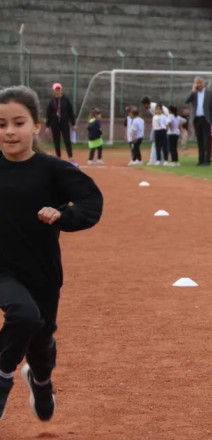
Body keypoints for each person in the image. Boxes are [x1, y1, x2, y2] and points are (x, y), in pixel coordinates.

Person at [0, 85, 103, 422]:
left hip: (43, 273)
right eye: (1, 124)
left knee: (41, 340)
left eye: (18, 122)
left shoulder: (52, 170)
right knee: (24, 315)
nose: (10, 131)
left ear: (37, 125)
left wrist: (63, 215)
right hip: (3, 270)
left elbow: (91, 202)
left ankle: (40, 380)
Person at [185, 76, 212, 166]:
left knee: (207, 140)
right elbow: (186, 101)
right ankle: (201, 160)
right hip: (197, 119)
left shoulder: (210, 93)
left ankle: (207, 160)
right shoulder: (194, 94)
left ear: (204, 83)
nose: (199, 85)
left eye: (200, 83)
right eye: (197, 83)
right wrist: (193, 91)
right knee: (199, 140)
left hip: (206, 119)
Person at [44, 83, 76, 166]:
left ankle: (71, 157)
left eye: (59, 89)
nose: (57, 91)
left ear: (61, 90)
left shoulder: (66, 100)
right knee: (56, 141)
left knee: (67, 140)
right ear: (53, 91)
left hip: (64, 123)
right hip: (55, 124)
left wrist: (73, 124)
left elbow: (71, 113)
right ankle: (58, 157)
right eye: (56, 90)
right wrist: (47, 126)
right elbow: (48, 115)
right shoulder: (51, 102)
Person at [140, 97, 169, 165]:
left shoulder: (154, 106)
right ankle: (158, 159)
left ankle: (155, 159)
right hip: (158, 127)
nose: (144, 107)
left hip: (162, 127)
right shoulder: (151, 108)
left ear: (147, 104)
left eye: (144, 105)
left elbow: (166, 114)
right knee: (156, 143)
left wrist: (166, 126)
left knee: (159, 144)